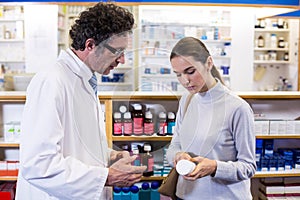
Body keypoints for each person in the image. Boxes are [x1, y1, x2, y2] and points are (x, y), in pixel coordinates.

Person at [16, 3, 146, 200]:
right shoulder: (52, 81)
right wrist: (107, 177)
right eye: (117, 52)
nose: (122, 61)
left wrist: (109, 156)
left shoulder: (84, 80)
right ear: (91, 45)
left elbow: (76, 144)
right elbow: (38, 164)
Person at [166, 37, 256, 200]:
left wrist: (214, 167)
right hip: (184, 196)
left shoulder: (237, 108)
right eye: (178, 74)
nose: (185, 81)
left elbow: (248, 167)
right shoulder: (187, 100)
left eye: (190, 71)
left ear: (209, 63)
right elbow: (175, 145)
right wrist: (177, 156)